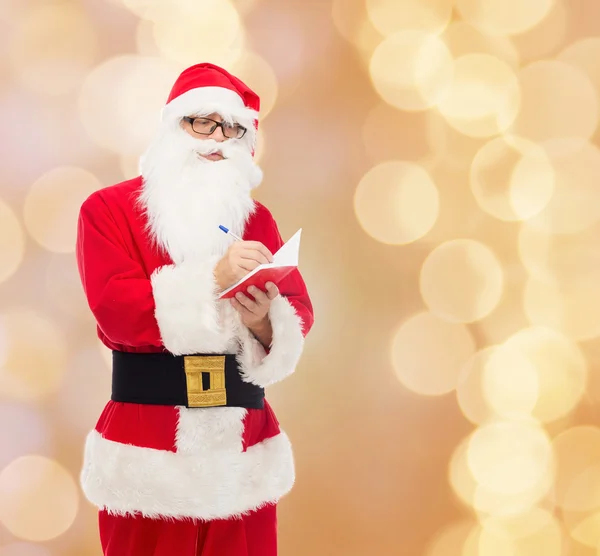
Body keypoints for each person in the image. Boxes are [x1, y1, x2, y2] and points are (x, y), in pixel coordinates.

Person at [75, 62, 314, 556]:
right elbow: (116, 310)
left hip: (243, 454)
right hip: (148, 455)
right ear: (172, 128)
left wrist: (262, 321)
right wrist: (213, 281)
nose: (217, 138)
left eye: (231, 127)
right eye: (201, 121)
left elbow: (296, 309)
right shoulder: (106, 211)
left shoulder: (258, 220)